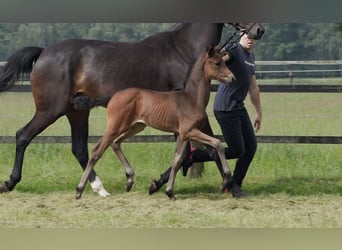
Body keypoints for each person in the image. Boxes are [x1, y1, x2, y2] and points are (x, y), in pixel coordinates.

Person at [149, 30, 263, 198]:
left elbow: (253, 88)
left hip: (239, 106)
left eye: (254, 38)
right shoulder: (233, 51)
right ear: (240, 34)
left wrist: (259, 113)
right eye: (248, 36)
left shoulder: (250, 58)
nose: (251, 40)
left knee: (251, 147)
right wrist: (214, 55)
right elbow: (213, 62)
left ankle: (234, 185)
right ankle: (198, 159)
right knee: (238, 149)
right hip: (226, 106)